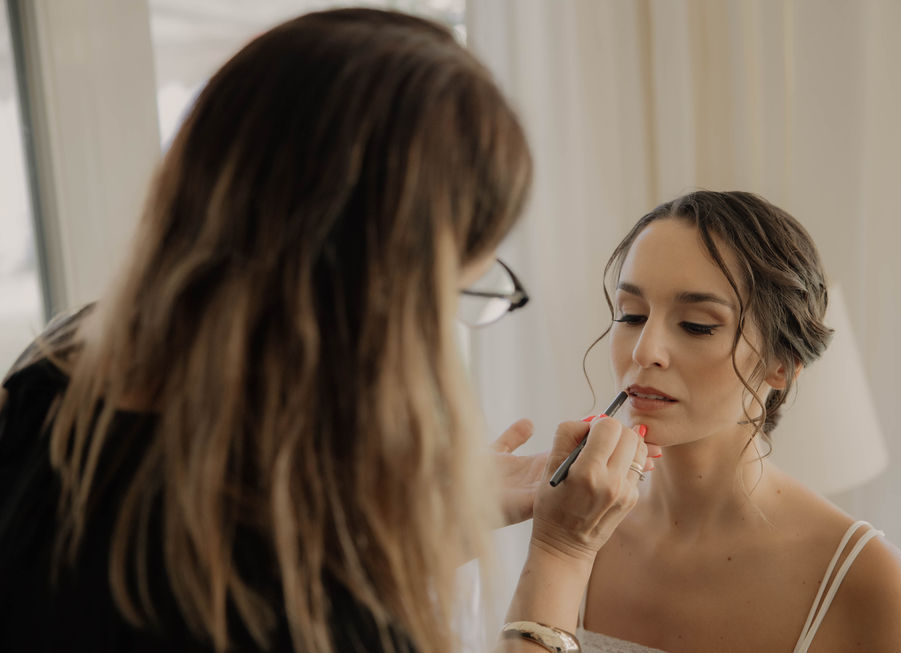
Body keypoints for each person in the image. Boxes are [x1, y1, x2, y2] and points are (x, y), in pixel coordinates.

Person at [0, 9, 654, 653]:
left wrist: (394, 528)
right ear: (381, 302)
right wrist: (562, 553)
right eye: (453, 292)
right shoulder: (299, 601)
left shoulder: (52, 382)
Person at [577, 190, 901, 652]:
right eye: (631, 315)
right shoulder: (578, 527)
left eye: (697, 325)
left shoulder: (866, 579)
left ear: (780, 364)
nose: (644, 351)